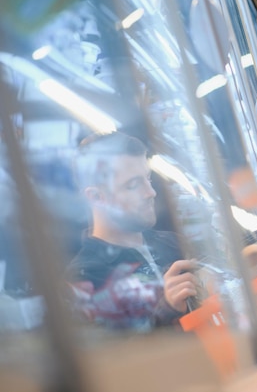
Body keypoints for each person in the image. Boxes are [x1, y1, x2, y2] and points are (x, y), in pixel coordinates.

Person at [65, 131, 198, 330]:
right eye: (134, 185)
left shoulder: (173, 244)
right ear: (95, 197)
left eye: (148, 179)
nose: (150, 193)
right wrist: (165, 311)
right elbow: (114, 357)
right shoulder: (84, 279)